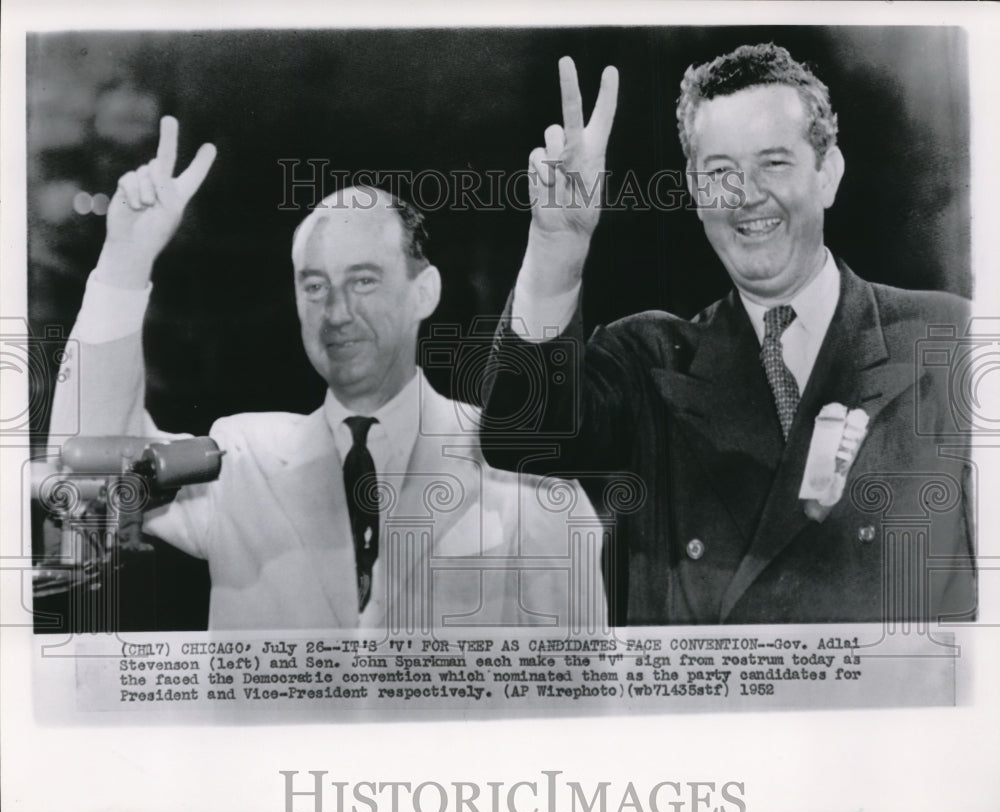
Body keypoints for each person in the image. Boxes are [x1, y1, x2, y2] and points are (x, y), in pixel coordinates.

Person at [480, 44, 977, 625]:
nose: (745, 194)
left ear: (828, 174)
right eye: (720, 172)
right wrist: (557, 247)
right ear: (694, 192)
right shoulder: (647, 361)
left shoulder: (949, 338)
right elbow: (522, 435)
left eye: (774, 162)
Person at [47, 116, 606, 632]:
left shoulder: (522, 468)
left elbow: (583, 684)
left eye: (364, 281)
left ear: (425, 291)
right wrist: (124, 260)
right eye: (314, 286)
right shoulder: (240, 457)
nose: (336, 311)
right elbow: (83, 471)